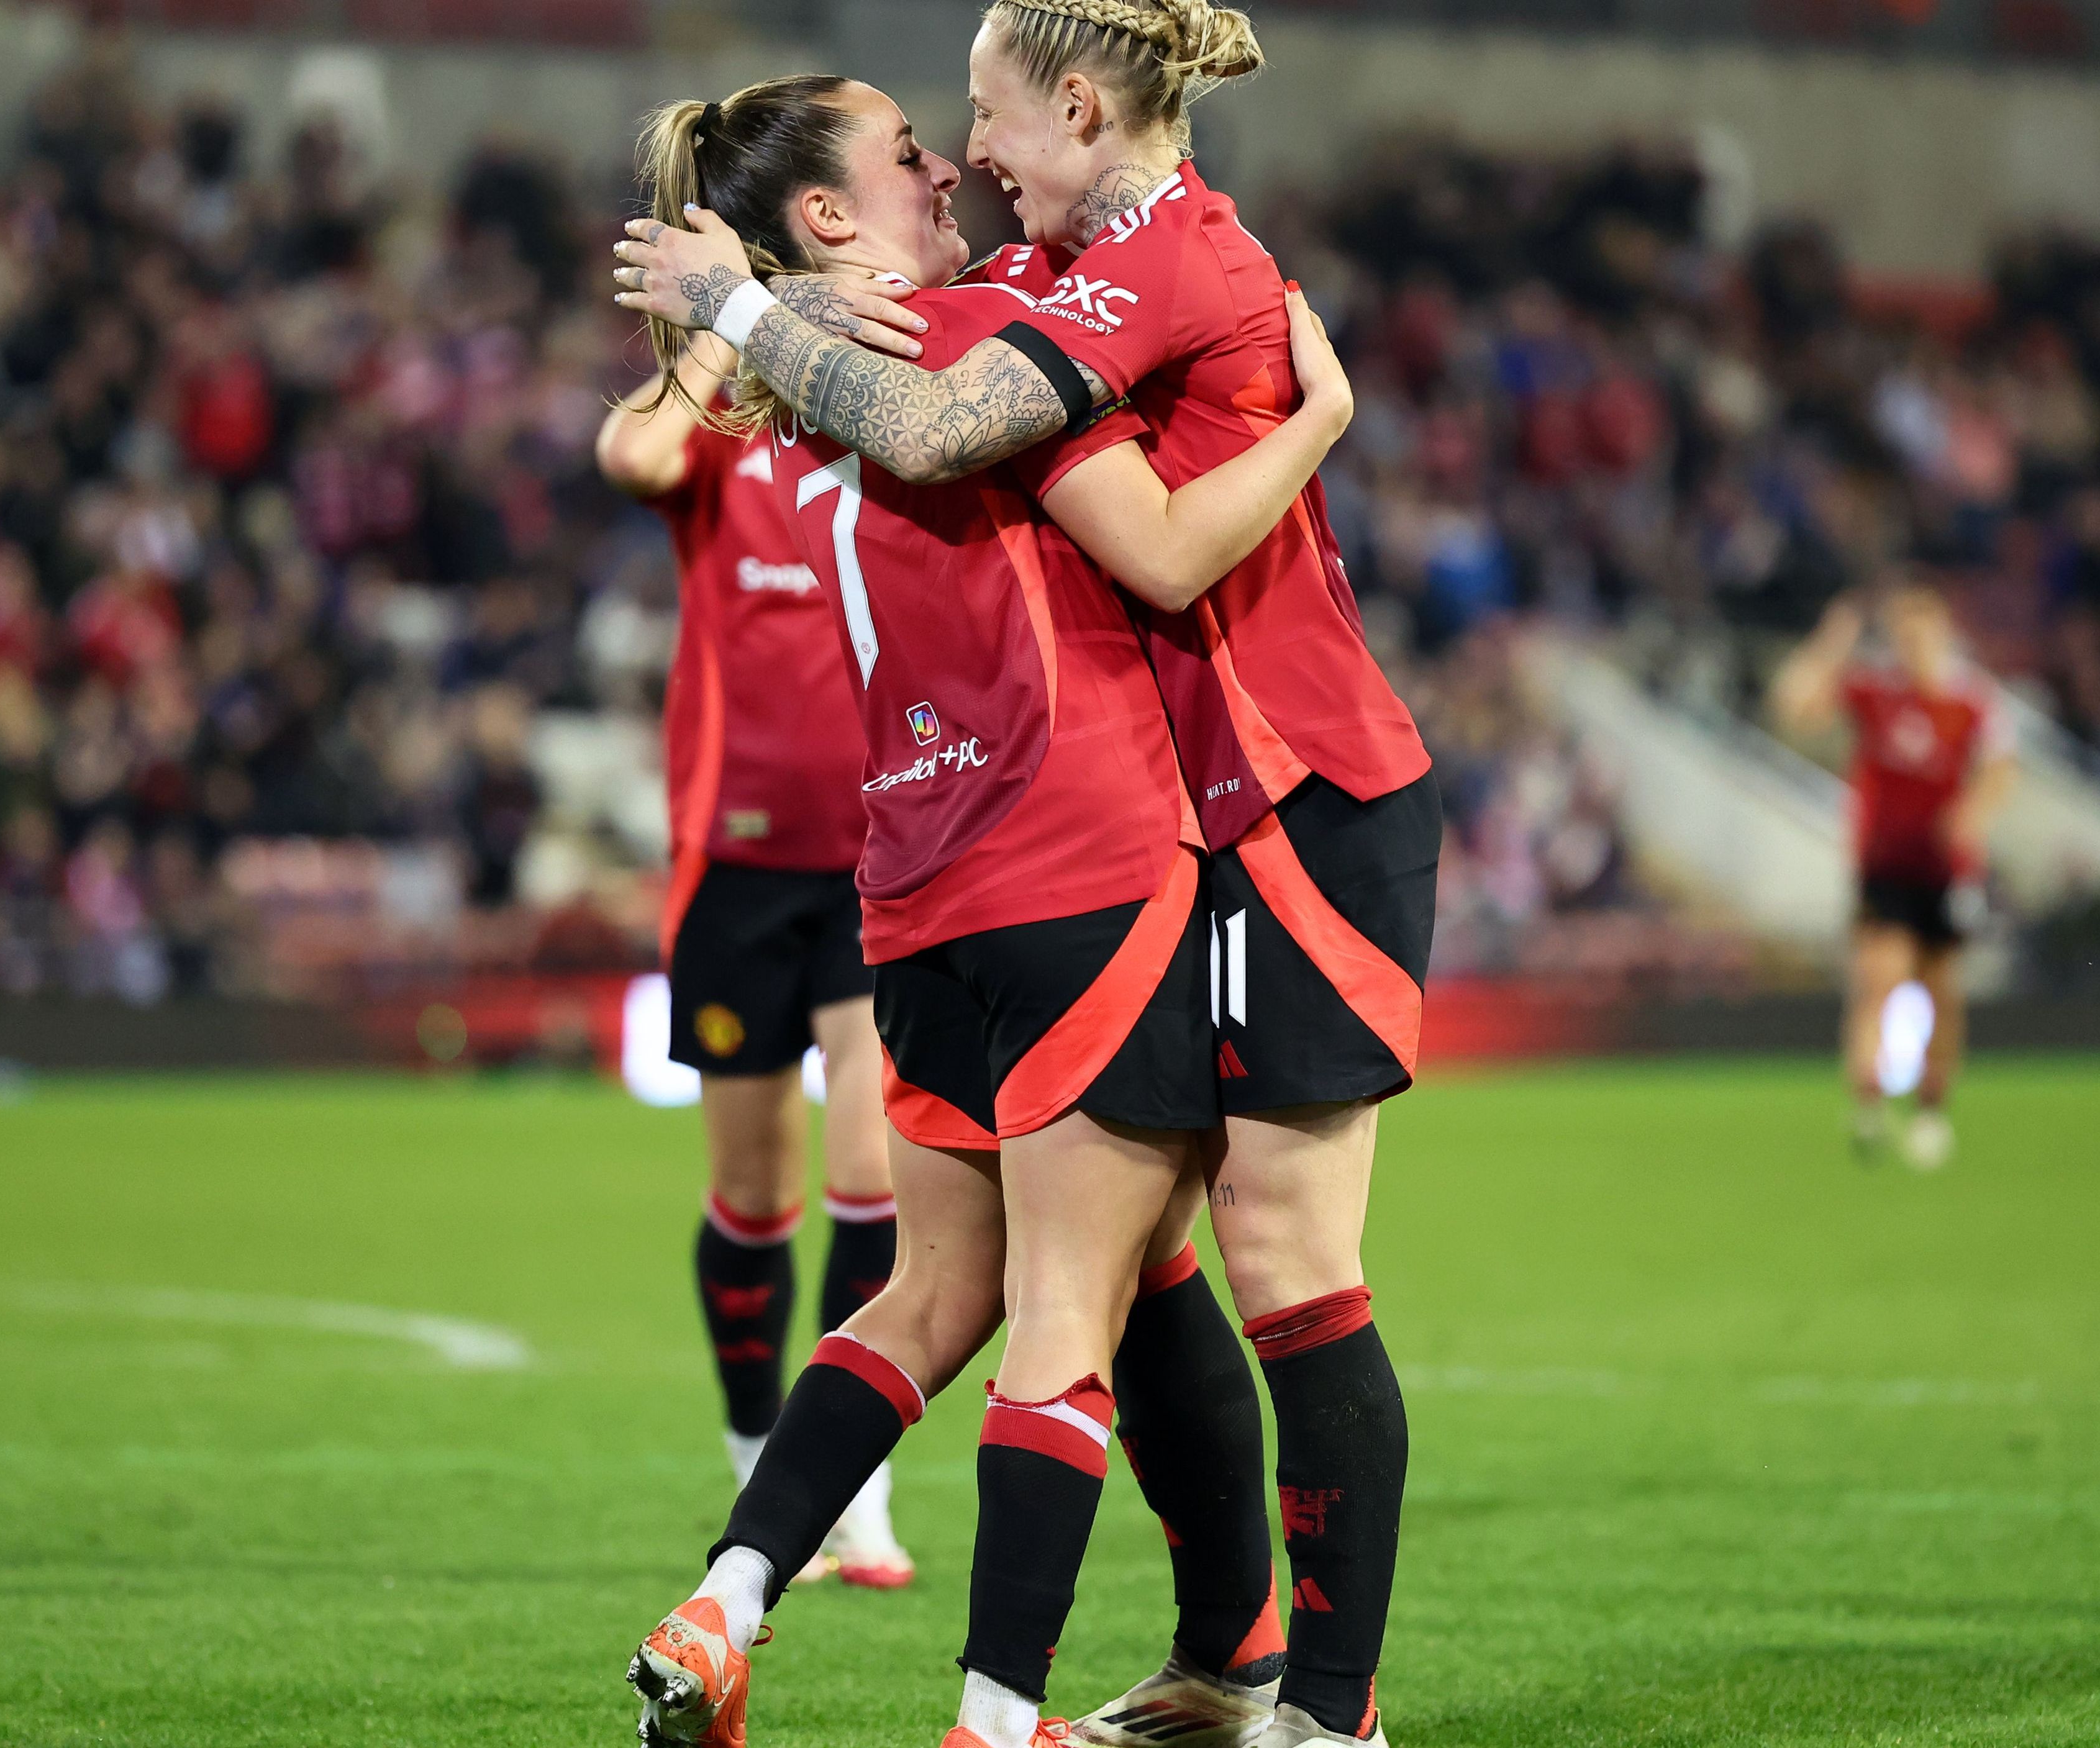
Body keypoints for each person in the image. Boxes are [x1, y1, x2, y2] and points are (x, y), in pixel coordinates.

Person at [619, 6, 1437, 1742]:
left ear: (1077, 105)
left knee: (1269, 1246)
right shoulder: (1032, 293)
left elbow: (992, 466)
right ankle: (1219, 1665)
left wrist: (740, 307)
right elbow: (925, 404)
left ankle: (1321, 1712)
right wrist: (1319, 418)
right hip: (1137, 823)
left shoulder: (1146, 256)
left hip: (1288, 793)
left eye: (978, 120)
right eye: (927, 143)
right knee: (1128, 1269)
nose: (966, 155)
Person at [596, 330, 909, 1588]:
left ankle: (857, 1491)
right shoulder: (718, 448)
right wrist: (721, 332)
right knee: (754, 1192)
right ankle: (752, 1454)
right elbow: (631, 449)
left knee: (874, 1164)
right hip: (732, 870)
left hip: (877, 858)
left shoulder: (890, 435)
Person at [1771, 582, 2017, 1170]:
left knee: (1941, 990)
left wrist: (1972, 814)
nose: (1910, 644)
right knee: (1881, 976)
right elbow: (1793, 707)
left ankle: (1931, 1110)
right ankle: (1869, 1105)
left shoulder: (1972, 702)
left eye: (1920, 631)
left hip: (1945, 871)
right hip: (1883, 868)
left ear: (1941, 634)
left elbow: (2002, 770)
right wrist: (1832, 642)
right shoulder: (1875, 694)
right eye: (1901, 634)